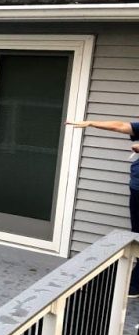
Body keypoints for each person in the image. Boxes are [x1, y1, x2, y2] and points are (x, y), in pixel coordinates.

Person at [67, 120, 139, 296]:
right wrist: (91, 123)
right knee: (137, 234)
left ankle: (136, 283)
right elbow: (121, 126)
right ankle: (136, 282)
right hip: (137, 188)